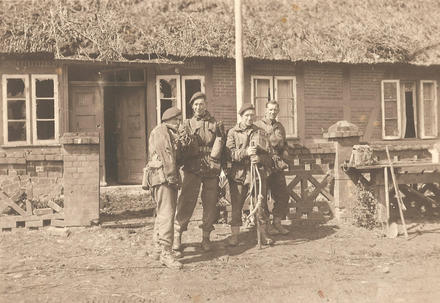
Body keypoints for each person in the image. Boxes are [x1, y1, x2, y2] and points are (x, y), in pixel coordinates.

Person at [173, 92, 225, 252]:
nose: (198, 107)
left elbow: (223, 145)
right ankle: (177, 237)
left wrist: (222, 167)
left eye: (201, 104)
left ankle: (206, 238)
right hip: (192, 167)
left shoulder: (216, 123)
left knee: (210, 203)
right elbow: (180, 147)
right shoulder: (186, 124)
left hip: (211, 167)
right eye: (195, 105)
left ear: (206, 105)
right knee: (186, 202)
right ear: (192, 107)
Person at [225, 103, 274, 246]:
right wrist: (245, 152)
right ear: (241, 116)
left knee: (261, 204)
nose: (250, 118)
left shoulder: (260, 132)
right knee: (236, 205)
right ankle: (234, 235)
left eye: (252, 115)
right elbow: (229, 154)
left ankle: (263, 234)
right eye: (247, 115)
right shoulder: (233, 132)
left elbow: (269, 155)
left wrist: (260, 158)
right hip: (239, 174)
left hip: (256, 174)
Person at [145, 106, 183, 269]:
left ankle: (157, 248)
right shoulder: (162, 132)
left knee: (162, 214)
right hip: (164, 179)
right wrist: (173, 178)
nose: (180, 123)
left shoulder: (163, 131)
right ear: (172, 120)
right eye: (178, 120)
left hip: (161, 178)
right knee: (167, 214)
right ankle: (166, 253)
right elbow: (167, 157)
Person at [254, 100, 290, 235]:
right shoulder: (257, 126)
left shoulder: (280, 127)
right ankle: (267, 225)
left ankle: (277, 221)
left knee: (282, 194)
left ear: (278, 111)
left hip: (276, 165)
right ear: (265, 110)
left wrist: (285, 158)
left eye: (275, 109)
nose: (272, 112)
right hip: (263, 163)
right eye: (270, 109)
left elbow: (284, 145)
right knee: (261, 196)